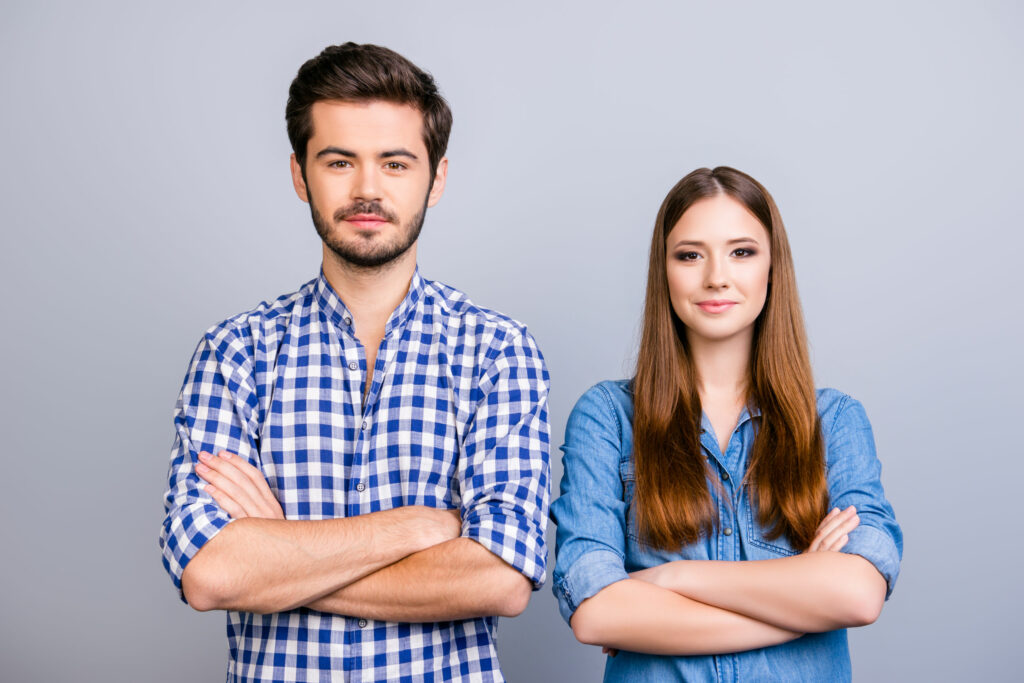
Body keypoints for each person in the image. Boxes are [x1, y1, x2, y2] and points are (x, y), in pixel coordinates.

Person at [159, 43, 551, 683]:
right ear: (299, 174)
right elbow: (210, 573)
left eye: (395, 163)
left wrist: (283, 549)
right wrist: (419, 528)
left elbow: (500, 579)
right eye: (339, 161)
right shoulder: (234, 353)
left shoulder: (496, 351)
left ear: (437, 178)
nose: (368, 189)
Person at [551, 166, 902, 681]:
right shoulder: (607, 417)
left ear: (772, 267)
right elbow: (598, 611)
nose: (716, 276)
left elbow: (858, 593)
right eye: (690, 255)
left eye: (742, 252)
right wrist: (801, 602)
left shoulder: (835, 421)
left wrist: (671, 578)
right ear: (663, 270)